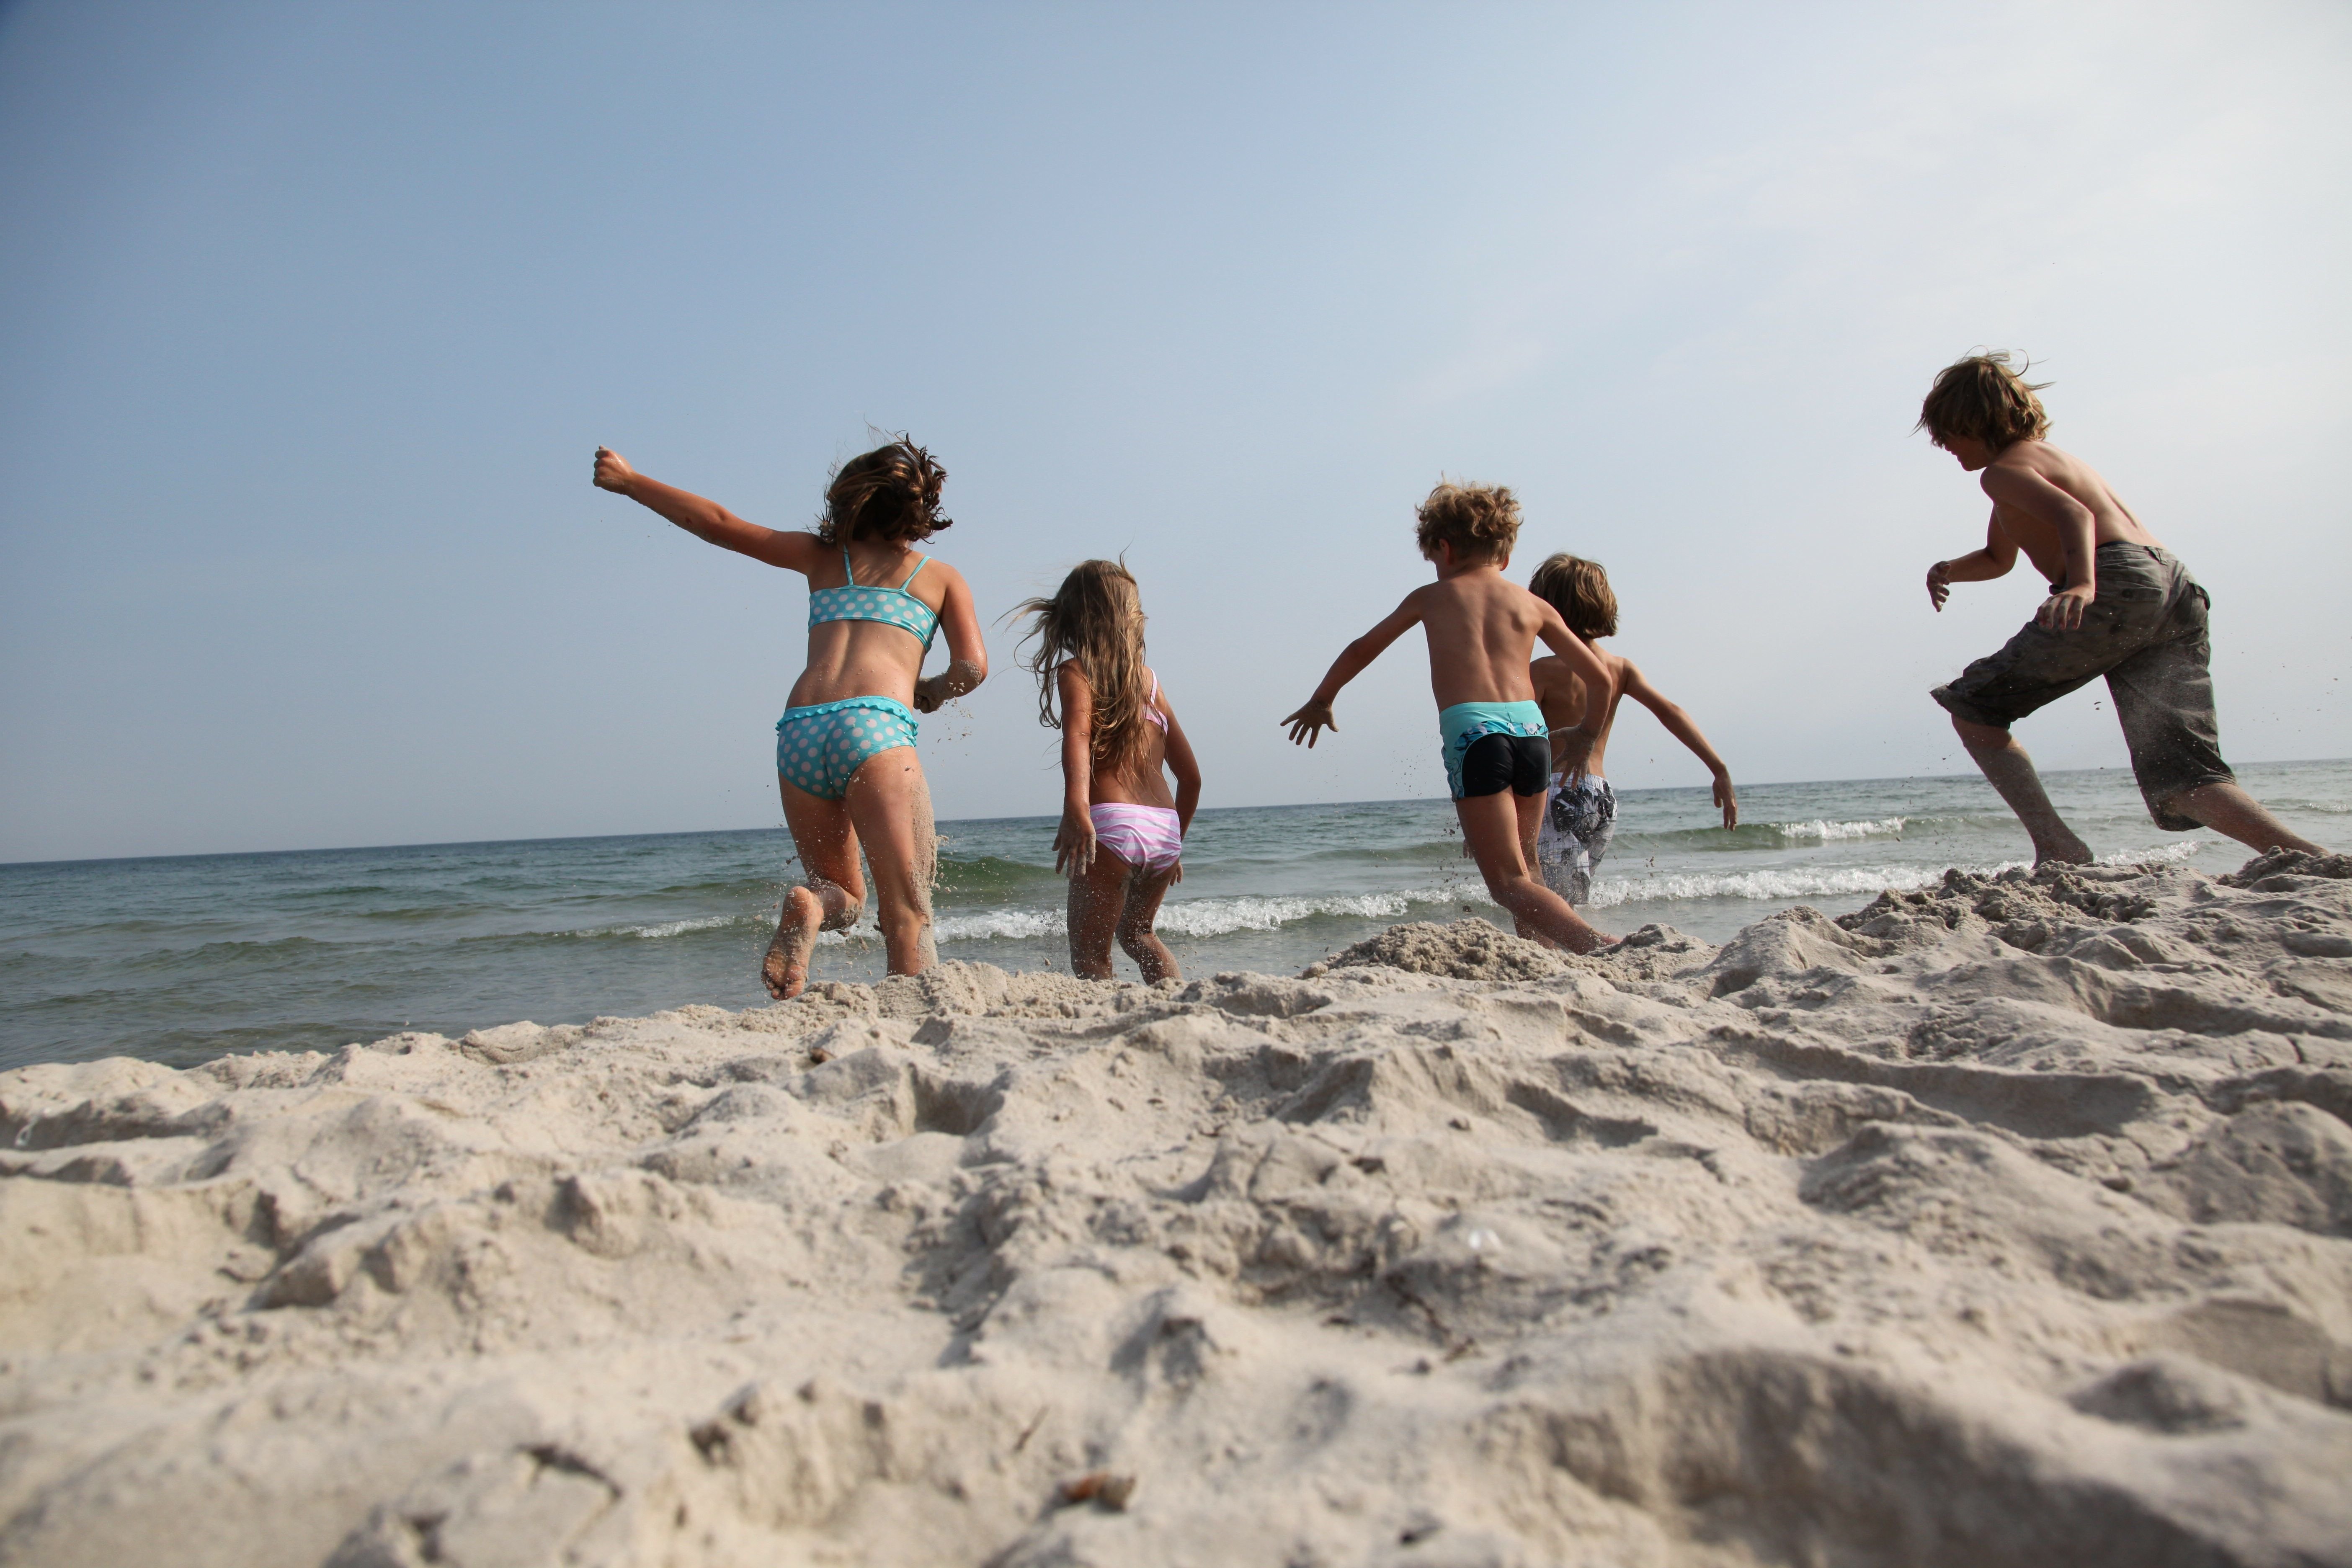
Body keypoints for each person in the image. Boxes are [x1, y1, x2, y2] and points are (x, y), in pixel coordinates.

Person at [592, 438, 987, 998]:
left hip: (801, 728)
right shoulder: (939, 577)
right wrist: (934, 691)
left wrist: (632, 482)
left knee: (842, 895)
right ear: (921, 511)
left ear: (851, 502)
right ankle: (908, 1018)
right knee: (905, 912)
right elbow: (972, 665)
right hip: (875, 726)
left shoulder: (822, 557)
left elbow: (720, 523)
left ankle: (811, 903)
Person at [1918, 353, 2324, 865]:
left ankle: (2058, 847)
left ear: (1972, 422)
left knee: (1975, 708)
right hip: (2174, 591)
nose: (1945, 447)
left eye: (1947, 435)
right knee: (2183, 775)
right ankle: (2310, 858)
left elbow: (2074, 515)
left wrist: (2083, 584)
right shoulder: (2041, 465)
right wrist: (1950, 569)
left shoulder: (2001, 474)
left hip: (2115, 584)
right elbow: (2000, 558)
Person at [1282, 480, 1620, 954]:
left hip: (1476, 734)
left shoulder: (1431, 598)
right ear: (1504, 557)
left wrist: (1323, 699)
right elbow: (1601, 679)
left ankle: (1595, 943)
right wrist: (1586, 736)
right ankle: (1544, 956)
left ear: (1444, 546)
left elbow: (1363, 648)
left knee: (1505, 883)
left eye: (1435, 559)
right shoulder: (1533, 605)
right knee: (1528, 867)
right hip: (1532, 732)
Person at [1015, 561, 1202, 983]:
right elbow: (1191, 779)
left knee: (1090, 955)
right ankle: (1176, 1004)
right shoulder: (1151, 683)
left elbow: (1077, 737)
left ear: (1074, 618)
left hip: (1113, 824)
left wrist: (1076, 808)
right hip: (1165, 830)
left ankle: (1103, 1023)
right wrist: (1175, 846)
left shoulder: (1076, 672)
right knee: (1141, 936)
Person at [1523, 554, 1736, 918]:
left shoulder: (1542, 672)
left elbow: (1519, 742)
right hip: (1602, 800)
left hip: (1557, 793)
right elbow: (1670, 712)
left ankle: (1564, 959)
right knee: (1570, 895)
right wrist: (1718, 768)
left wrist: (1496, 805)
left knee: (1547, 897)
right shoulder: (1620, 668)